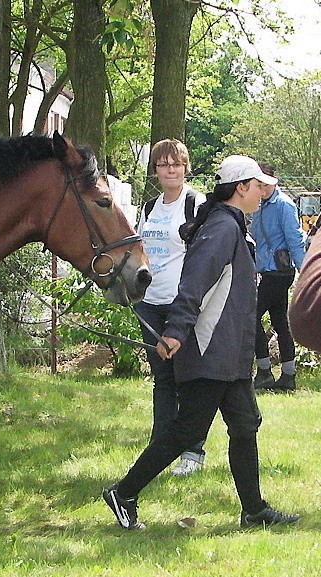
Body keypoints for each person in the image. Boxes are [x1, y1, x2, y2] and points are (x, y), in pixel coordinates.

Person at [103, 155, 300, 530]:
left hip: (230, 352)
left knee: (245, 424)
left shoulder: (231, 225)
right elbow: (193, 284)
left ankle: (254, 510)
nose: (262, 192)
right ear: (241, 188)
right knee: (188, 430)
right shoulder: (222, 228)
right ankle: (123, 492)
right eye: (257, 186)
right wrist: (176, 331)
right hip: (211, 349)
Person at [134, 139, 208, 476]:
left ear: (185, 166)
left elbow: (207, 254)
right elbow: (138, 250)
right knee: (162, 380)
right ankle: (160, 449)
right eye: (164, 164)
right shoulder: (148, 208)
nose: (170, 170)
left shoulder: (196, 203)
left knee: (188, 379)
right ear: (156, 170)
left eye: (176, 163)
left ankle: (193, 451)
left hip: (182, 305)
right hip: (150, 302)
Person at [251, 162, 306, 391]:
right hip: (267, 271)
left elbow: (295, 239)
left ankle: (264, 371)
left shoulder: (284, 205)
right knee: (280, 322)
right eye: (258, 184)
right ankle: (288, 375)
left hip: (279, 272)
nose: (261, 189)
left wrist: (305, 271)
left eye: (264, 185)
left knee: (250, 316)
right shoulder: (259, 206)